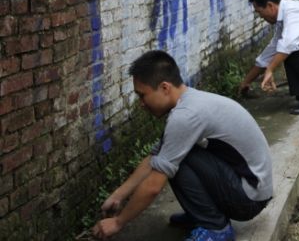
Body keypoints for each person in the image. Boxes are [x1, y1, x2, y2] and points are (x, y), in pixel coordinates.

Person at [92, 51, 272, 241]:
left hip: (249, 197)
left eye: (142, 96)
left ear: (164, 88)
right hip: (249, 186)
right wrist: (119, 195)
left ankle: (216, 228)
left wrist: (118, 222)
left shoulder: (186, 116)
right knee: (170, 155)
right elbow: (154, 157)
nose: (141, 104)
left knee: (175, 161)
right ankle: (202, 213)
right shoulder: (190, 101)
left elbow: (154, 185)